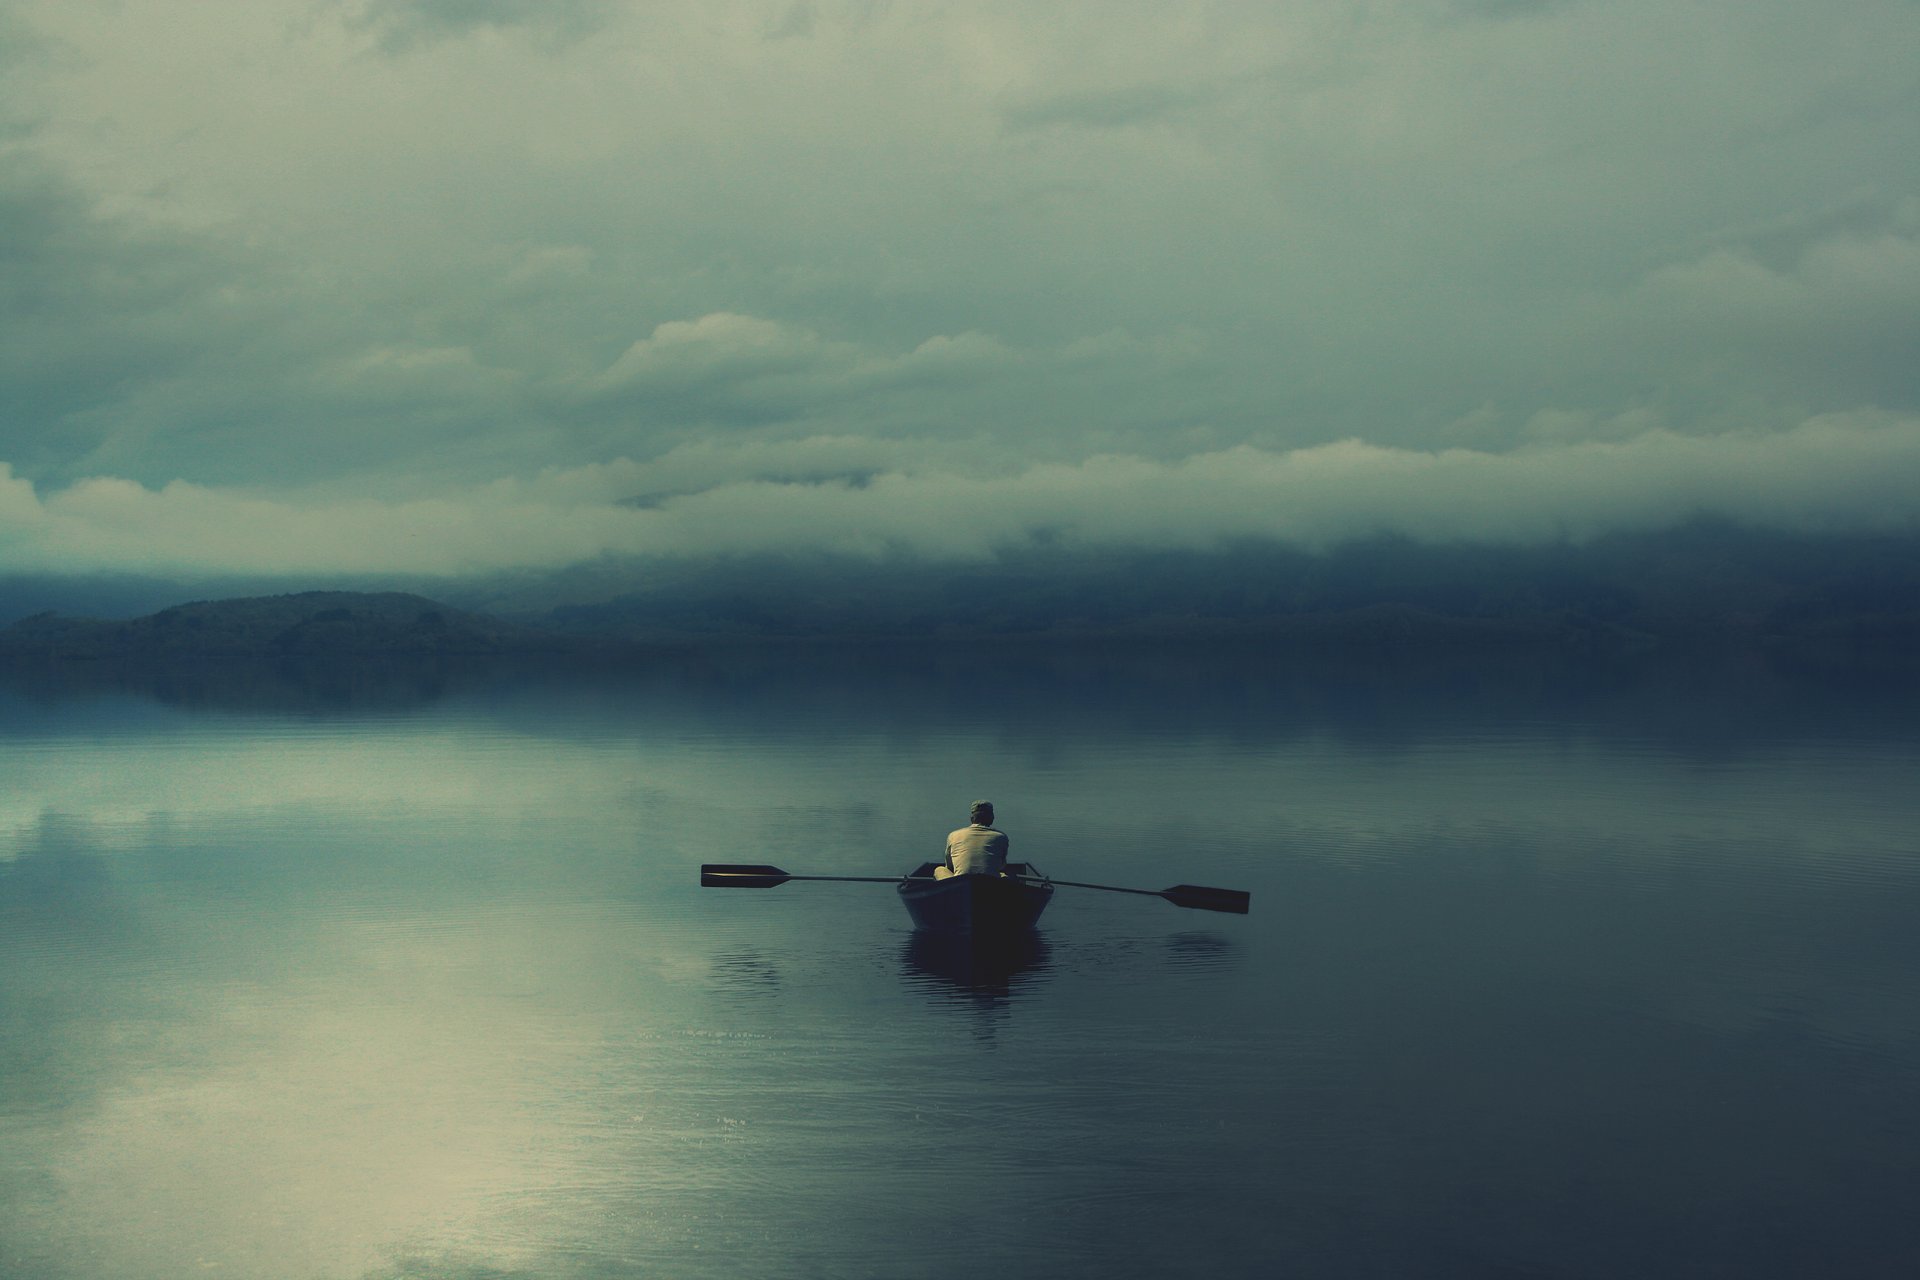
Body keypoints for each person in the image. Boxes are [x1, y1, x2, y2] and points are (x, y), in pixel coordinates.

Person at [936, 800, 1010, 879]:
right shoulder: (1001, 837)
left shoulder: (954, 835)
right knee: (1003, 875)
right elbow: (1001, 866)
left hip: (961, 883)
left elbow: (950, 866)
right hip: (990, 882)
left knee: (939, 870)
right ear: (992, 818)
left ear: (972, 818)